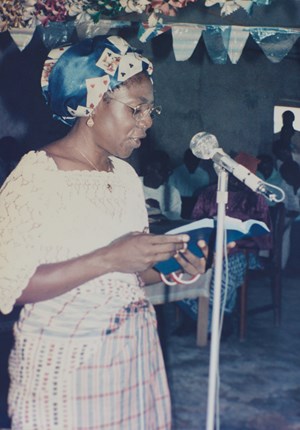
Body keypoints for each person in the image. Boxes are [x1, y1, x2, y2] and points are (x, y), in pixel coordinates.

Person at [0, 36, 208, 430]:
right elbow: (10, 283)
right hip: (66, 364)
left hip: (132, 358)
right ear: (91, 104)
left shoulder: (127, 177)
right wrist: (110, 256)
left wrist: (171, 266)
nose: (147, 122)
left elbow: (126, 274)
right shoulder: (39, 175)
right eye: (136, 110)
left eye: (150, 109)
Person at [176, 152, 272, 338]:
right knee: (179, 267)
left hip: (242, 253)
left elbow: (265, 237)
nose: (239, 181)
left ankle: (214, 319)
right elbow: (196, 223)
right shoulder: (208, 193)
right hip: (207, 248)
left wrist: (238, 238)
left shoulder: (255, 198)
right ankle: (199, 315)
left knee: (222, 268)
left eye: (246, 176)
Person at [169, 148, 217, 219]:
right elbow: (171, 191)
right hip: (179, 202)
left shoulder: (204, 174)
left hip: (196, 203)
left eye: (195, 159)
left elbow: (204, 193)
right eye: (190, 159)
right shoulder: (175, 173)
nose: (192, 161)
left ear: (199, 160)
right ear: (185, 159)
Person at [141, 149, 182, 221]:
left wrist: (157, 211)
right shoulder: (134, 183)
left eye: (168, 171)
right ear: (149, 168)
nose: (165, 175)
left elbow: (174, 219)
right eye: (162, 171)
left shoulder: (172, 192)